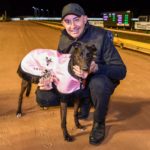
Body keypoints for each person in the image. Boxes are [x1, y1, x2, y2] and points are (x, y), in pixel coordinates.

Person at [36, 3, 126, 145]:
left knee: (98, 84)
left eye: (76, 19)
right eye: (67, 21)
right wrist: (50, 79)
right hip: (76, 81)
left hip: (97, 79)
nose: (73, 26)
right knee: (43, 97)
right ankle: (84, 101)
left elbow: (121, 71)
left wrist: (96, 68)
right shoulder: (65, 37)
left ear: (85, 19)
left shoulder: (101, 36)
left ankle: (99, 123)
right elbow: (58, 65)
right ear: (63, 23)